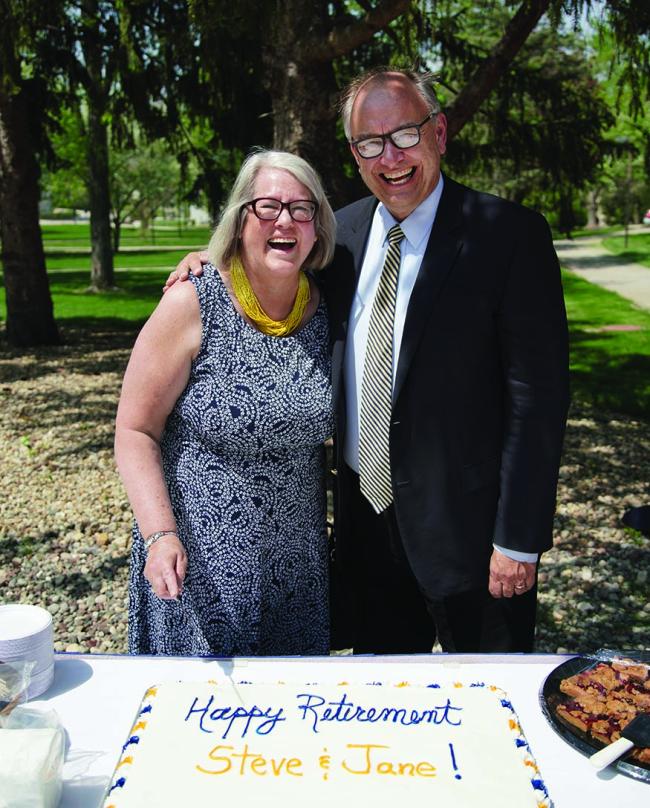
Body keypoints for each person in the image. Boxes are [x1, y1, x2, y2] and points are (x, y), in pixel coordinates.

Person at [168, 67, 570, 654]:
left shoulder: (508, 237)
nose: (391, 157)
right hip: (366, 533)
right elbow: (268, 265)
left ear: (439, 132)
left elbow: (539, 401)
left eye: (404, 134)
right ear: (355, 155)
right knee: (383, 712)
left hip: (475, 539)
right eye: (369, 144)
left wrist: (519, 541)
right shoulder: (341, 236)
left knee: (489, 712)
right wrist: (208, 264)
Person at [115, 150, 336, 656]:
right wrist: (159, 535)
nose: (286, 220)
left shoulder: (327, 311)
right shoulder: (192, 302)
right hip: (198, 568)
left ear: (318, 229)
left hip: (297, 576)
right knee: (194, 723)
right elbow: (134, 431)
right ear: (239, 222)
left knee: (288, 720)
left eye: (303, 209)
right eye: (268, 207)